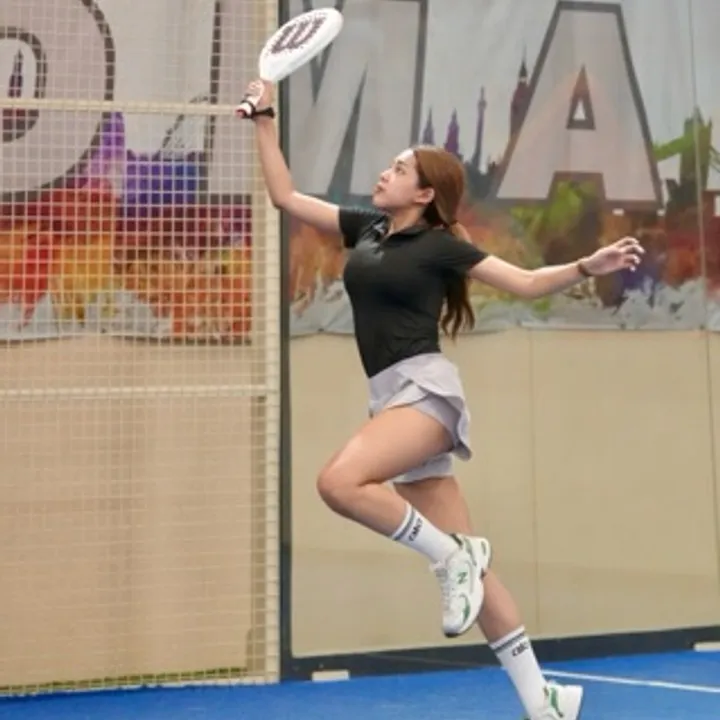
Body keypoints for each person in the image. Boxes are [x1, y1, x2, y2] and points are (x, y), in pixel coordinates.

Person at [243, 79, 643, 720]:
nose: (385, 172)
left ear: (424, 194)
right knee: (477, 578)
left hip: (425, 391)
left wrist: (585, 266)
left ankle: (451, 557)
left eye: (399, 169)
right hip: (389, 398)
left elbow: (525, 282)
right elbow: (285, 197)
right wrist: (264, 117)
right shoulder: (368, 228)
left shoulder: (441, 245)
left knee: (338, 483)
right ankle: (543, 698)